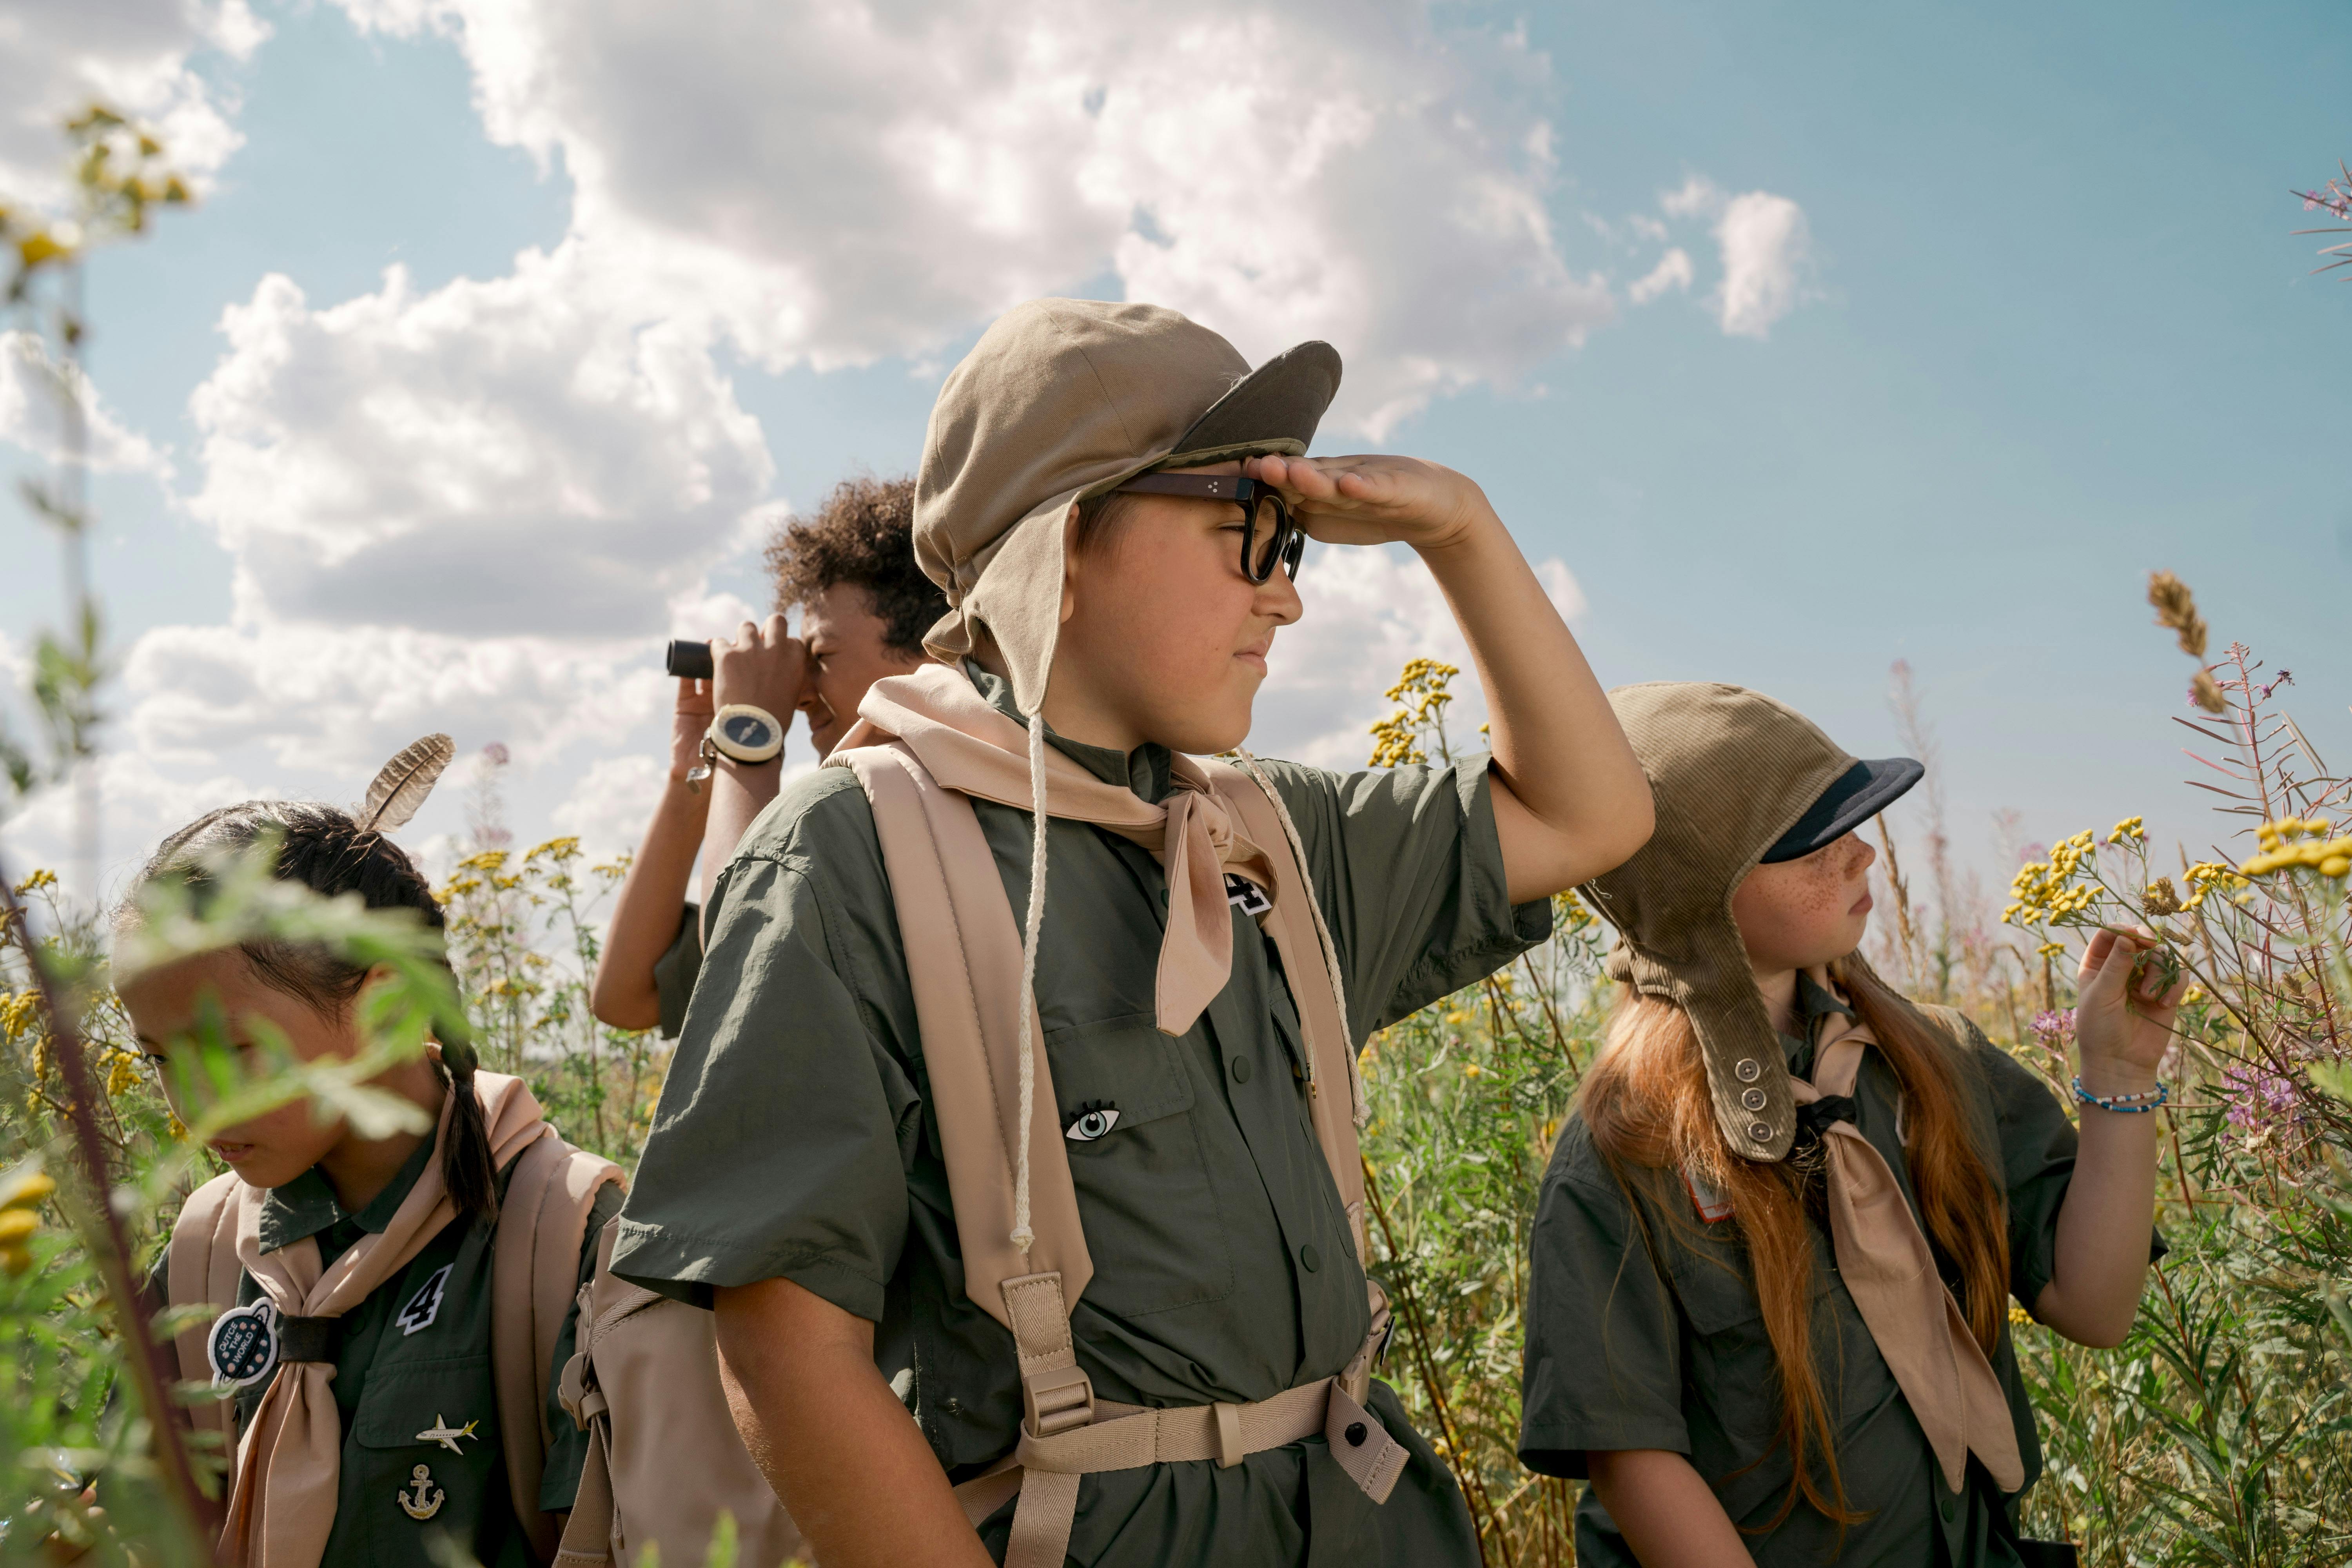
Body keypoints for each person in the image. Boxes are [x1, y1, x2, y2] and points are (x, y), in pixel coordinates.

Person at [607, 297, 1656, 1566]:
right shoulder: (855, 854)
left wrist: (1461, 530)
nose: (1285, 602)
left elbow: (1589, 812)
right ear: (1064, 544)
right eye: (1244, 538)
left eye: (1293, 547)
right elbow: (786, 1352)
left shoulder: (1270, 835)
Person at [1517, 682, 2178, 1567]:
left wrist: (2120, 1076)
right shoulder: (1626, 1148)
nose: (1862, 853)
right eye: (1809, 846)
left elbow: (2094, 1305)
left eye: (1853, 826)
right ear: (1696, 892)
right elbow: (1636, 1459)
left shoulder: (1935, 1060)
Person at [118, 800, 622, 1568]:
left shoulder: (566, 1236)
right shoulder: (208, 1247)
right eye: (159, 1057)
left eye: (235, 1047)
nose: (196, 1102)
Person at [590, 475, 947, 1036]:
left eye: (821, 655)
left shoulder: (926, 807)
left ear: (932, 651)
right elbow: (626, 997)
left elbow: (743, 949)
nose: (801, 692)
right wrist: (695, 778)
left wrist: (748, 740)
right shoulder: (842, 817)